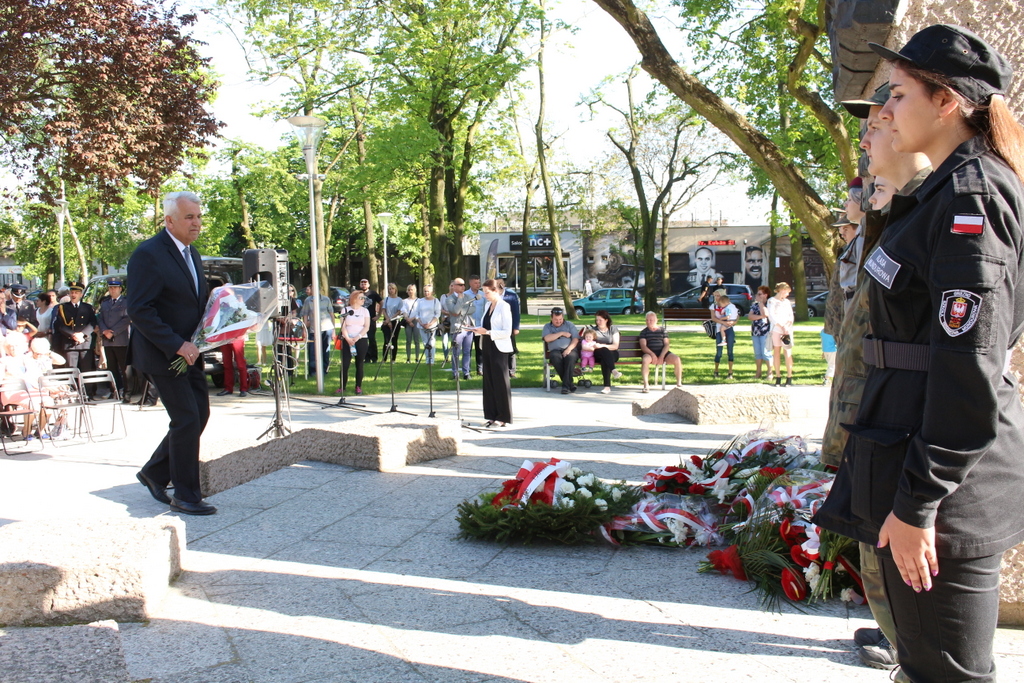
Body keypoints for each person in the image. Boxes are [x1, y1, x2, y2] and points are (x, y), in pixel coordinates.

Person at [817, 25, 1024, 683]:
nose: (887, 109)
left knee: (946, 673)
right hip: (907, 454)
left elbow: (969, 364)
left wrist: (919, 503)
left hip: (941, 488)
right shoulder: (940, 193)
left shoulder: (970, 198)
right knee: (925, 665)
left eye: (900, 94)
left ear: (946, 102)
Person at [827, 81, 932, 676]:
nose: (869, 136)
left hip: (900, 416)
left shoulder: (933, 210)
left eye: (881, 120)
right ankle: (902, 643)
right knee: (875, 542)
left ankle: (907, 647)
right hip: (872, 409)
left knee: (894, 550)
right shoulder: (892, 216)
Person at [127, 191, 216, 516]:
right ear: (169, 220)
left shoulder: (192, 253)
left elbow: (192, 303)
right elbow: (139, 309)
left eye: (198, 216)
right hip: (163, 354)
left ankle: (154, 472)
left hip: (192, 353)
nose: (197, 223)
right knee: (186, 418)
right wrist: (177, 344)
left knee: (199, 415)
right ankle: (185, 495)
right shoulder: (148, 254)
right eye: (189, 217)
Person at [470, 279, 512, 427]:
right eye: (484, 292)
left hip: (499, 348)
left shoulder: (504, 306)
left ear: (496, 291)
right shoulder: (488, 305)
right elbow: (486, 325)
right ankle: (491, 415)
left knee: (500, 382)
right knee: (489, 382)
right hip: (487, 345)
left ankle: (503, 417)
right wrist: (475, 329)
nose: (485, 295)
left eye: (487, 292)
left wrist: (487, 332)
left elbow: (507, 332)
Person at [51, 280, 96, 381]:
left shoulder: (87, 307)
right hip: (70, 343)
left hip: (84, 342)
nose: (73, 295)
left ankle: (88, 389)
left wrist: (82, 334)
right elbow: (60, 325)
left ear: (81, 294)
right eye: (72, 292)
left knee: (87, 370)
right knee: (71, 371)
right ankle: (74, 389)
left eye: (76, 293)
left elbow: (92, 323)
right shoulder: (63, 307)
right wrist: (73, 335)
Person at [97, 277, 130, 400]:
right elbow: (100, 318)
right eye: (111, 287)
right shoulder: (105, 303)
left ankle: (127, 392)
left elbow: (127, 319)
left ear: (120, 289)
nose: (113, 290)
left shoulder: (126, 302)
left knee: (124, 368)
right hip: (107, 340)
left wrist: (113, 332)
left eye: (115, 287)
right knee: (112, 368)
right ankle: (114, 390)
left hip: (121, 340)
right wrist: (105, 331)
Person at [638, 311, 683, 392]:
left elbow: (666, 345)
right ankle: (646, 384)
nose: (648, 322)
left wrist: (662, 356)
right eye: (647, 320)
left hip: (663, 353)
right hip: (649, 353)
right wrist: (652, 355)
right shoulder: (644, 332)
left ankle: (679, 382)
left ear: (656, 320)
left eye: (651, 320)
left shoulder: (662, 330)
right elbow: (643, 346)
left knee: (677, 359)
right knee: (645, 360)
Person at [338, 289, 370, 396]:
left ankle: (358, 386)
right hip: (347, 340)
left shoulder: (365, 311)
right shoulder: (345, 310)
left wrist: (357, 337)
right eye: (361, 298)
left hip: (361, 339)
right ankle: (342, 387)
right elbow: (343, 326)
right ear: (354, 299)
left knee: (359, 364)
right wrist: (347, 338)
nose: (363, 300)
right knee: (345, 364)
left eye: (364, 298)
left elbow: (366, 326)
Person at [300, 284, 335, 379]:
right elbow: (305, 315)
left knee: (325, 350)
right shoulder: (308, 300)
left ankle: (324, 370)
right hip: (313, 329)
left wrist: (333, 330)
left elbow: (331, 314)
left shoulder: (326, 299)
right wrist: (304, 329)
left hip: (327, 328)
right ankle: (313, 371)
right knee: (312, 351)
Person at [542, 307, 579, 394]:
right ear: (551, 318)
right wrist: (561, 333)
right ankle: (569, 384)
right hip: (555, 351)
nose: (558, 321)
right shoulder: (547, 327)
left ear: (563, 317)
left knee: (570, 357)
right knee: (555, 356)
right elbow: (547, 338)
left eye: (560, 319)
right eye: (556, 319)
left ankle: (566, 386)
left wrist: (569, 349)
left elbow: (575, 339)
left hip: (570, 349)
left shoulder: (569, 325)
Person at [765, 282, 794, 387]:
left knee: (788, 352)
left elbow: (790, 315)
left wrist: (787, 326)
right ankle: (778, 376)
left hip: (787, 330)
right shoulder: (771, 301)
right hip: (777, 329)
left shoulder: (786, 302)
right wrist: (781, 325)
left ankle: (789, 377)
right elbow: (771, 316)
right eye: (786, 292)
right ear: (782, 290)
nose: (787, 294)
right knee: (777, 352)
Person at [447, 279, 474, 380]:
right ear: (453, 286)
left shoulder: (468, 297)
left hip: (468, 328)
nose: (463, 287)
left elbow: (473, 309)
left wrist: (461, 311)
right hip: (457, 329)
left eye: (464, 285)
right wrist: (459, 299)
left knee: (467, 351)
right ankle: (455, 373)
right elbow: (455, 311)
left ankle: (466, 372)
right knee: (456, 352)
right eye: (460, 285)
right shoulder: (449, 299)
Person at [409, 283, 441, 365]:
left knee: (431, 342)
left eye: (428, 291)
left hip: (432, 325)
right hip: (422, 325)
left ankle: (432, 360)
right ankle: (427, 359)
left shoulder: (435, 301)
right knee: (425, 342)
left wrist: (430, 324)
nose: (426, 293)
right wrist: (421, 323)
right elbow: (417, 313)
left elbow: (437, 314)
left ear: (432, 292)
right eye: (425, 291)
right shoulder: (420, 301)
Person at [591, 310, 621, 394]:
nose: (598, 322)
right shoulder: (593, 330)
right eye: (597, 320)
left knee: (605, 358)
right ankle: (613, 371)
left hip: (612, 353)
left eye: (600, 320)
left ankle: (607, 387)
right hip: (598, 353)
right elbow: (590, 344)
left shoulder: (613, 329)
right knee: (604, 352)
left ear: (606, 320)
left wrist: (601, 345)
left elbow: (615, 346)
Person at [710, 291, 737, 379]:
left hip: (729, 329)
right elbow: (713, 318)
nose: (716, 297)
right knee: (719, 352)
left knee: (730, 351)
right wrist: (723, 322)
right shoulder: (714, 306)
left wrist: (734, 322)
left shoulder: (729, 306)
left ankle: (730, 372)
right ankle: (716, 371)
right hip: (719, 329)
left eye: (718, 295)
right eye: (715, 296)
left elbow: (737, 315)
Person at [747, 285, 772, 381]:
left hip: (766, 332)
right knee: (758, 353)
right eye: (757, 294)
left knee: (766, 353)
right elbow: (750, 317)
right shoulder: (755, 305)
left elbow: (766, 314)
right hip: (755, 331)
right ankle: (758, 372)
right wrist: (761, 317)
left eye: (759, 294)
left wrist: (761, 303)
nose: (757, 296)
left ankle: (770, 373)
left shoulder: (769, 304)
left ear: (766, 295)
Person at [498, 279, 521, 378]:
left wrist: (516, 327)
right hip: (497, 327)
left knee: (510, 349)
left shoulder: (511, 295)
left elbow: (516, 312)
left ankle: (511, 370)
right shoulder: (492, 296)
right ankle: (500, 369)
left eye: (501, 283)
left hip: (509, 327)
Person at [357, 278, 382, 364]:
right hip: (360, 320)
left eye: (365, 283)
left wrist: (379, 315)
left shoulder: (373, 293)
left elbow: (381, 302)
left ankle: (374, 357)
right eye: (362, 283)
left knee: (371, 338)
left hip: (371, 319)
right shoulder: (357, 294)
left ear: (368, 285)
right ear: (360, 284)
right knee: (362, 339)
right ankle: (365, 357)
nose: (363, 284)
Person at [379, 283, 404, 364]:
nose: (391, 290)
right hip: (386, 321)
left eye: (392, 289)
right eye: (389, 289)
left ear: (395, 289)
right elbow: (383, 310)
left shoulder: (399, 300)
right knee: (386, 341)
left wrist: (390, 319)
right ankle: (384, 358)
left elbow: (399, 311)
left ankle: (393, 359)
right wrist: (387, 320)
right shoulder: (386, 299)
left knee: (394, 341)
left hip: (395, 321)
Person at [401, 284, 420, 362]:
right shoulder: (404, 301)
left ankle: (417, 358)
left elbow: (419, 312)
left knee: (416, 340)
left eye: (412, 290)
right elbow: (404, 311)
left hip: (416, 321)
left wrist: (412, 319)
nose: (410, 291)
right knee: (408, 340)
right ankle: (408, 358)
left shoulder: (419, 301)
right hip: (408, 322)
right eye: (409, 290)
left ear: (415, 290)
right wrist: (408, 320)